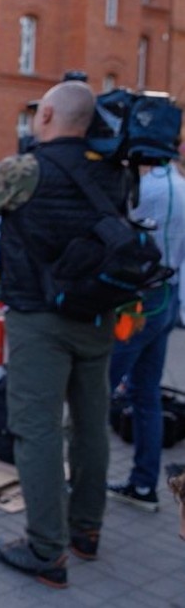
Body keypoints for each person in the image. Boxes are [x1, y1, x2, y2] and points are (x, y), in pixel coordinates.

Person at [0, 80, 126, 588]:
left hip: (40, 318)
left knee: (36, 427)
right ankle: (86, 531)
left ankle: (45, 549)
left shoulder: (24, 169)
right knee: (90, 423)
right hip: (98, 316)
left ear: (49, 116)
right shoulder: (116, 174)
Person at [107, 162, 185, 511]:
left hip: (140, 303)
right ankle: (142, 485)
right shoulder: (178, 186)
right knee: (146, 394)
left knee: (96, 393)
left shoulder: (148, 189)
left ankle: (79, 488)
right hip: (166, 298)